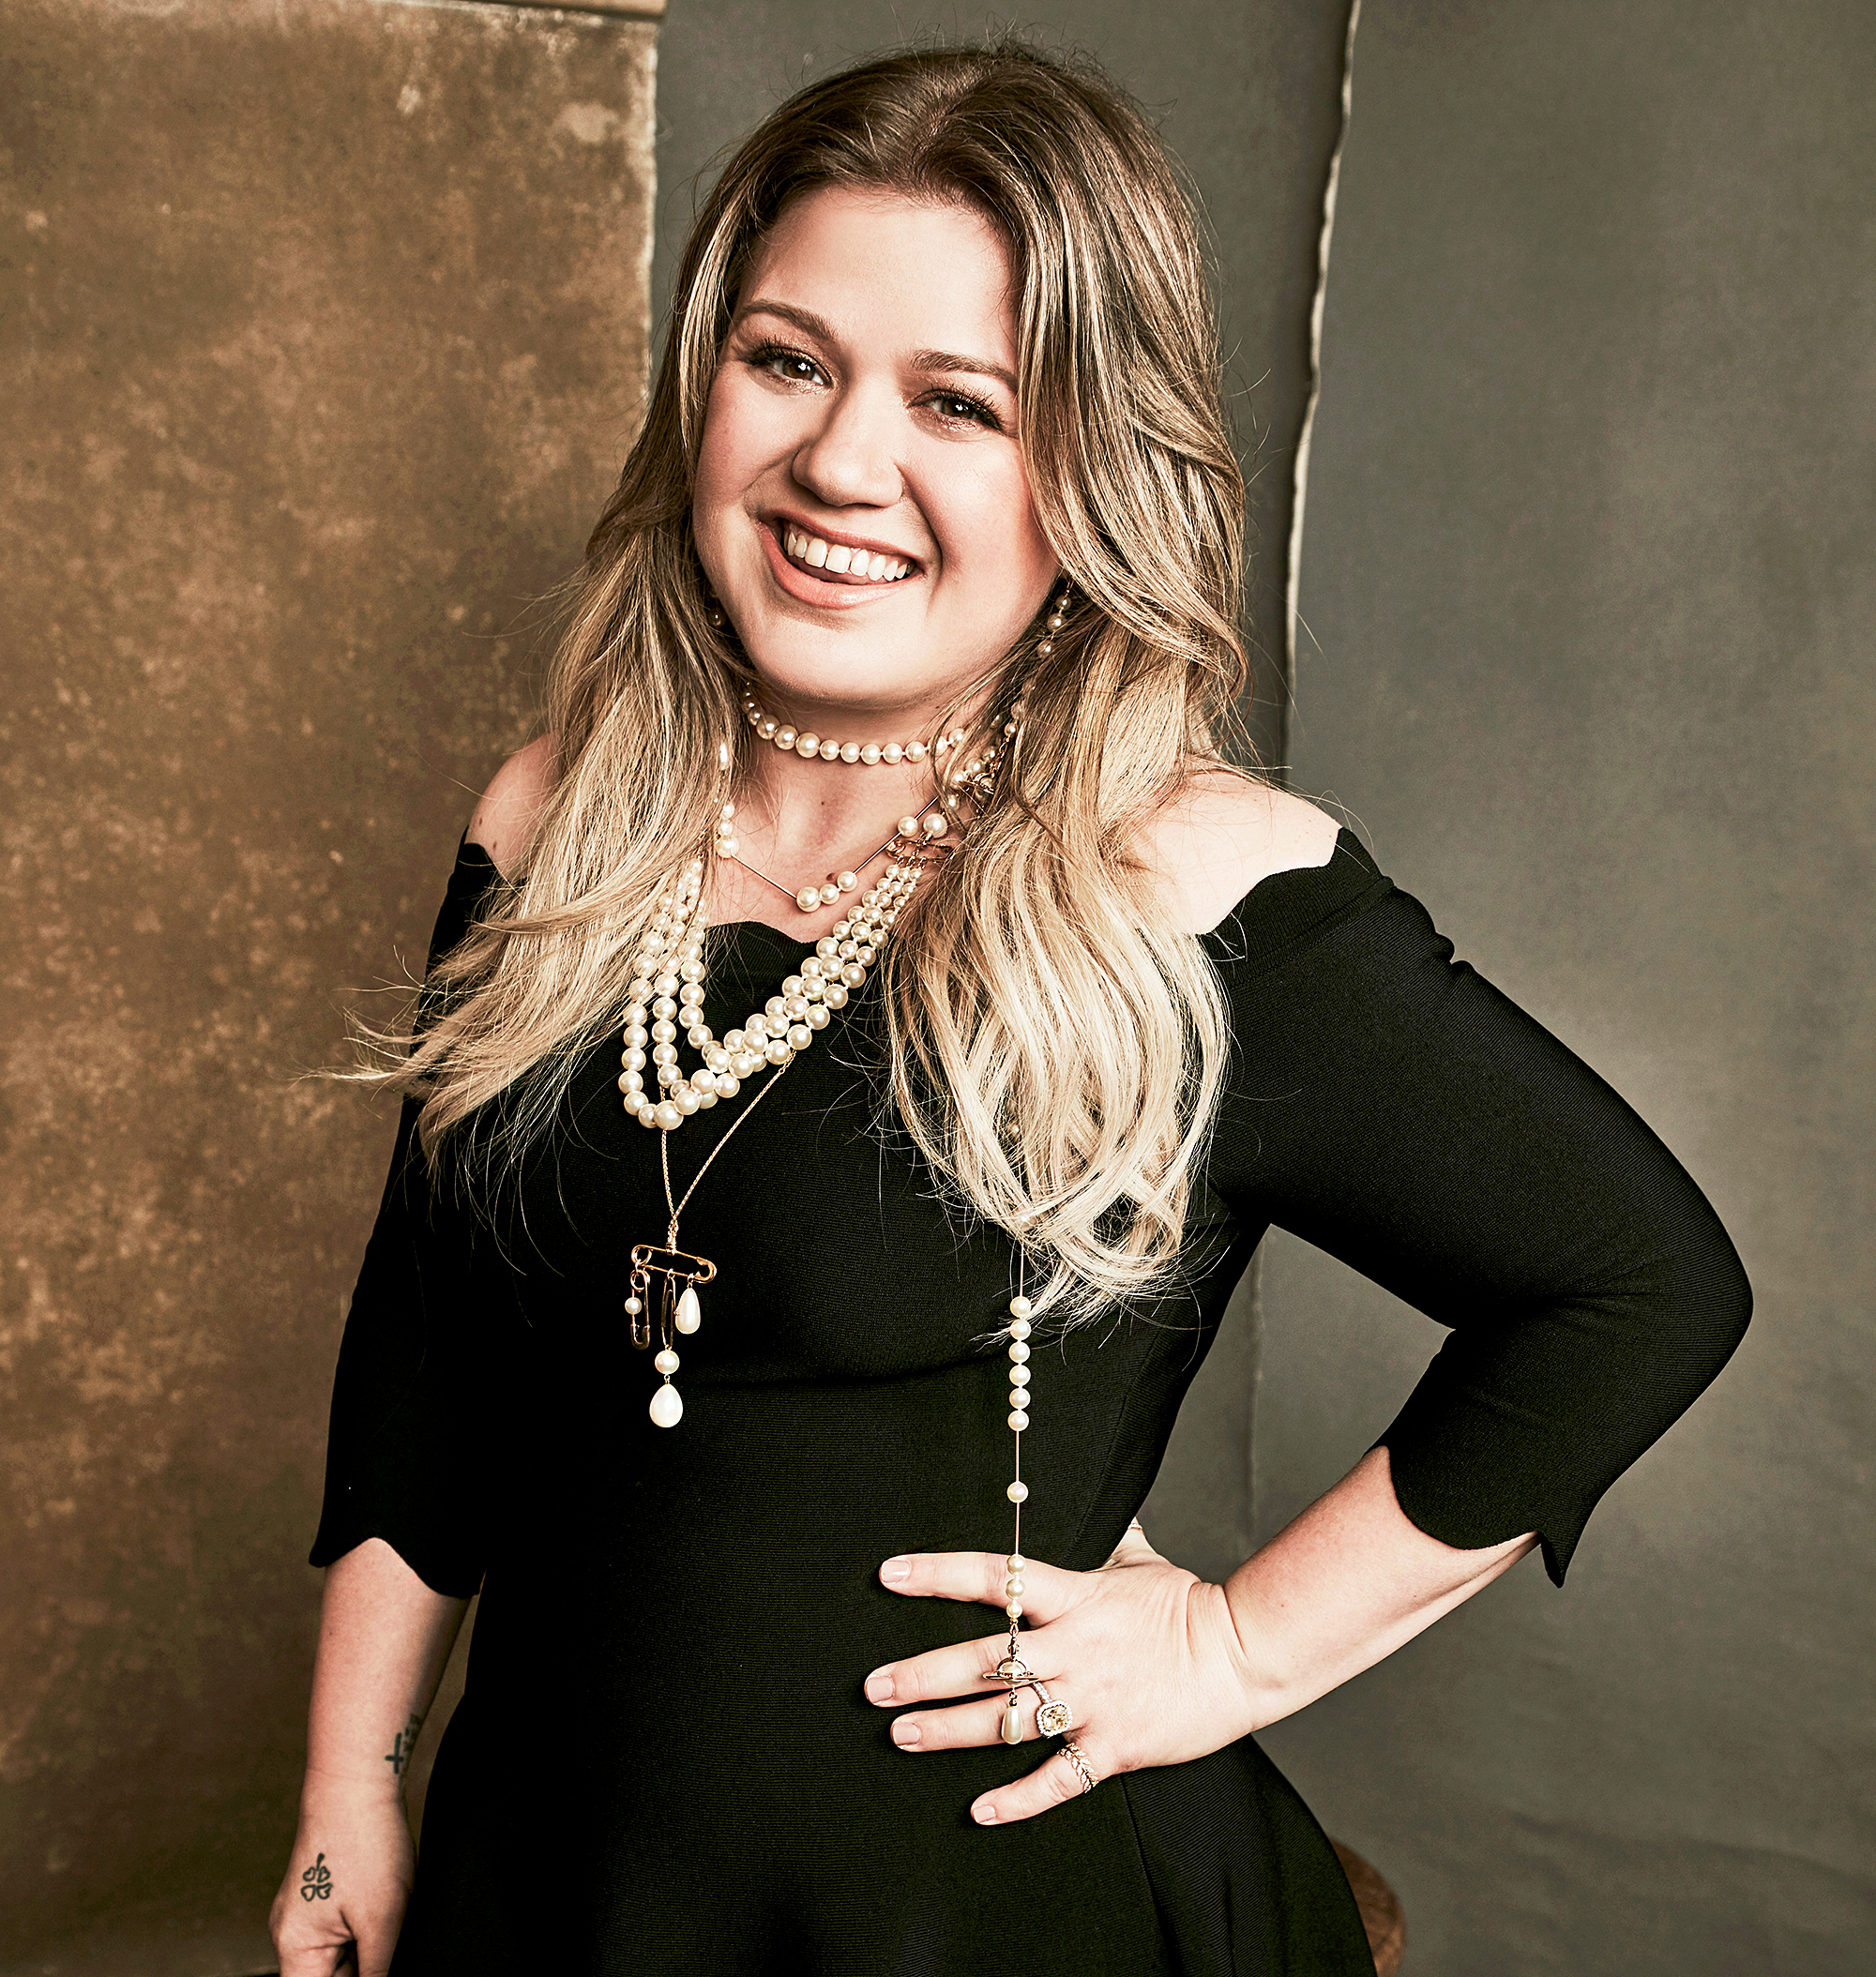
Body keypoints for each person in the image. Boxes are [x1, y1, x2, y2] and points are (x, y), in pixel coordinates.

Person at [268, 42, 1750, 1977]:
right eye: (787, 361)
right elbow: (433, 1350)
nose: (840, 465)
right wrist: (349, 1782)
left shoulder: (1190, 887)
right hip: (545, 1889)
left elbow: (1638, 1283)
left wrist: (1235, 1648)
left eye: (958, 402)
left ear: (1093, 471)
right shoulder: (556, 816)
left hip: (987, 1911)